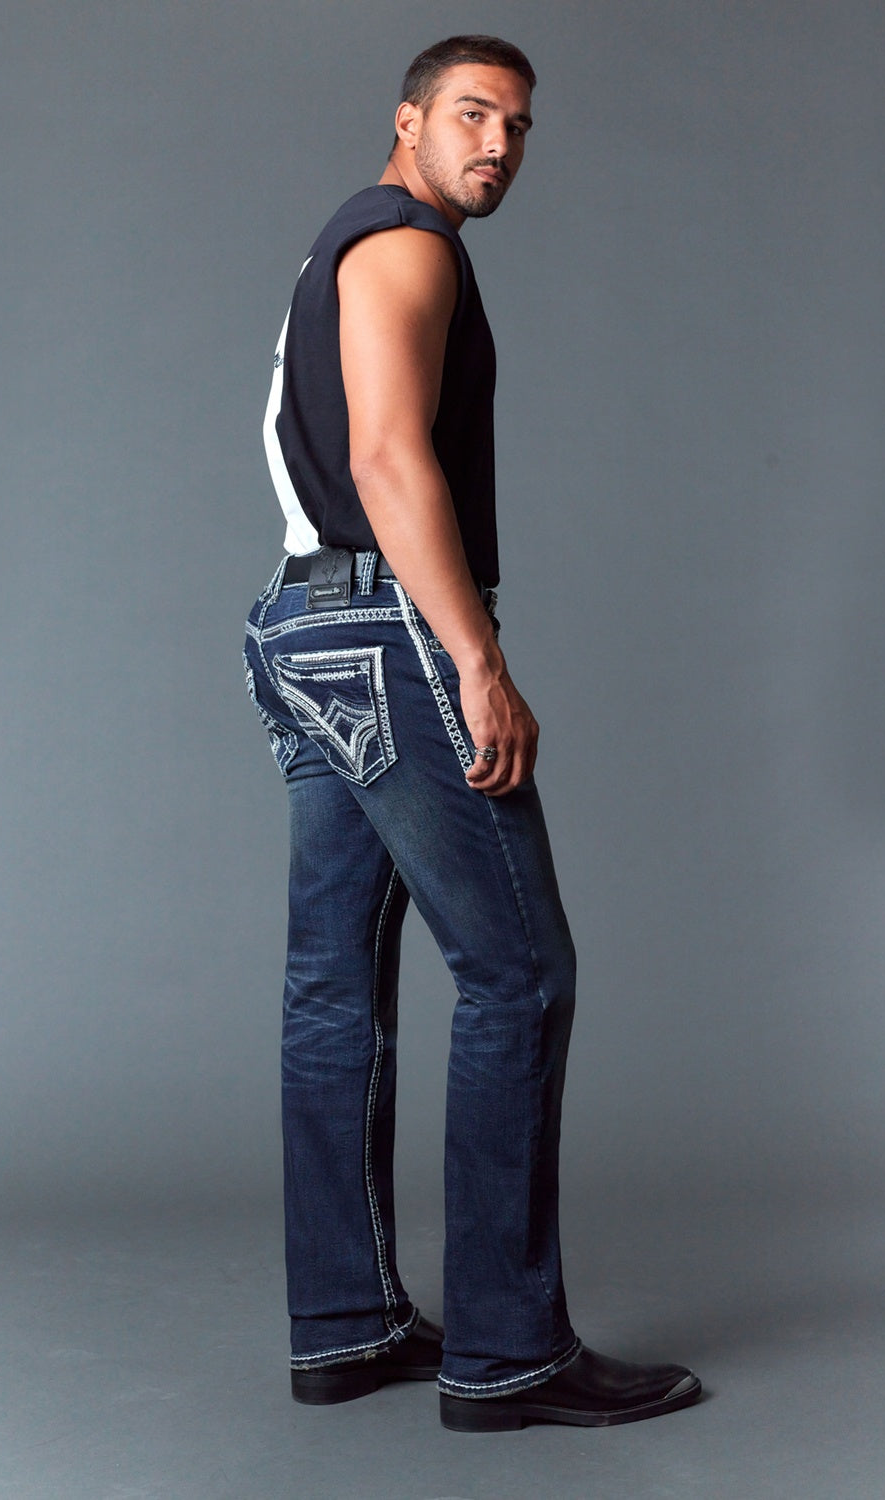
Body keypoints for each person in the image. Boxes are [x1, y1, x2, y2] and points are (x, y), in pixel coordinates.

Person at [244, 35, 701, 1432]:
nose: (498, 143)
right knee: (518, 975)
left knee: (332, 989)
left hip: (303, 621)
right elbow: (387, 458)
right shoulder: (409, 244)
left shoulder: (340, 244)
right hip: (389, 629)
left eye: (517, 125)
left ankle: (345, 1325)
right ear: (408, 120)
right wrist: (477, 661)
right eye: (472, 113)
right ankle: (506, 1351)